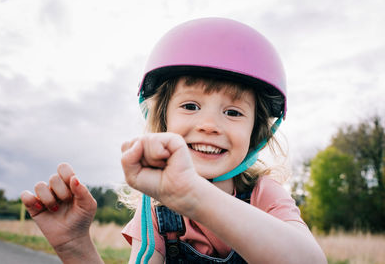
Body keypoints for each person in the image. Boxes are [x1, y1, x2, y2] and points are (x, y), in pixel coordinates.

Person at [21, 18, 327, 264]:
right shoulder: (154, 211)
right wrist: (75, 248)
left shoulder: (264, 195)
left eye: (233, 112)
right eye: (190, 106)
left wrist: (195, 197)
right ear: (163, 120)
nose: (209, 125)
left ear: (256, 133)